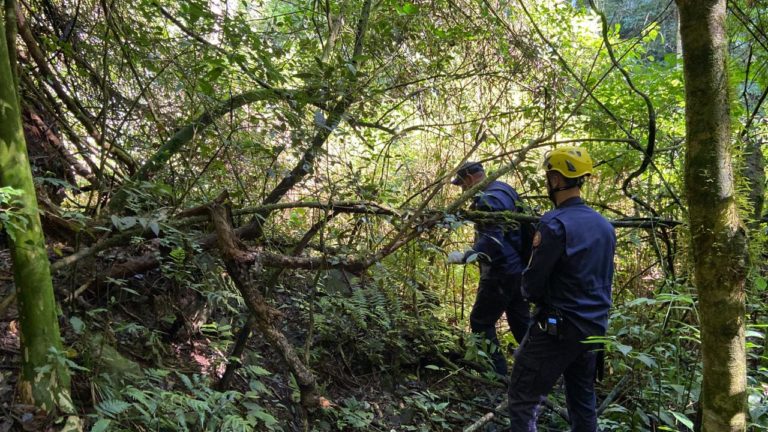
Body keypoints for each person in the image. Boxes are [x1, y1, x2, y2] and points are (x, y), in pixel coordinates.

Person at [506, 147, 616, 432]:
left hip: (557, 328)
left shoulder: (554, 224)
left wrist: (527, 292)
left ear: (555, 180)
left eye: (548, 177)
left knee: (523, 397)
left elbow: (533, 283)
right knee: (583, 401)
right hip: (594, 329)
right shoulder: (604, 225)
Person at [447, 161, 530, 376]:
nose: (463, 189)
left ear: (471, 178)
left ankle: (498, 375)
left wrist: (466, 256)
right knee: (520, 321)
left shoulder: (488, 200)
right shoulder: (504, 188)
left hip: (500, 270)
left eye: (463, 184)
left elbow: (492, 240)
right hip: (518, 268)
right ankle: (538, 371)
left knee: (480, 322)